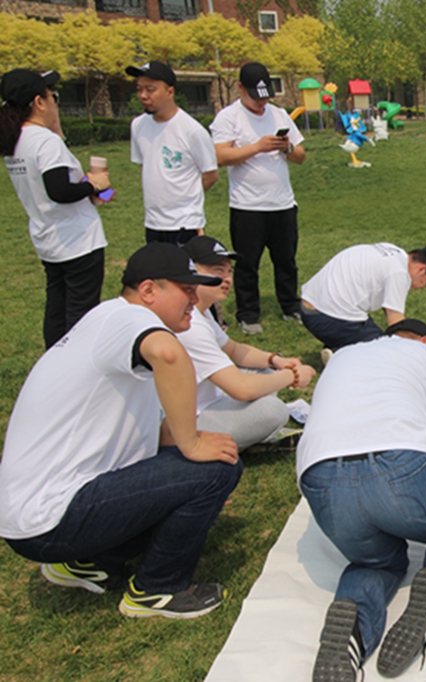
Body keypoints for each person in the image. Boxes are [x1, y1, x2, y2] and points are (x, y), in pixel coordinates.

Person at [0, 242, 241, 619]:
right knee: (216, 469)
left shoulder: (106, 320)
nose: (194, 301)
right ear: (148, 291)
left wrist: (180, 484)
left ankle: (90, 561)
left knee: (196, 472)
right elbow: (168, 354)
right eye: (185, 290)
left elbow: (148, 430)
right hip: (50, 517)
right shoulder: (130, 319)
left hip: (34, 514)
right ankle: (157, 589)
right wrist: (192, 447)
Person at [296, 319, 426, 681]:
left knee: (373, 561)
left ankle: (354, 628)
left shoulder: (343, 356)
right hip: (403, 464)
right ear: (425, 340)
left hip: (321, 477)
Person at [1, 69, 109, 348]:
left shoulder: (17, 140)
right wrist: (94, 185)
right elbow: (59, 190)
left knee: (57, 309)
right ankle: (76, 370)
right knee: (80, 314)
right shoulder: (44, 141)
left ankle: (53, 362)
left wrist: (58, 132)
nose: (54, 103)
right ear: (39, 102)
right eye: (53, 97)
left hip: (48, 237)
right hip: (78, 241)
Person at [177, 236, 316, 451]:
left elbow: (233, 349)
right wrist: (293, 376)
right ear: (190, 271)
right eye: (217, 270)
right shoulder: (191, 324)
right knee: (273, 410)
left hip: (209, 399)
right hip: (190, 419)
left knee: (266, 375)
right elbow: (242, 390)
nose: (226, 279)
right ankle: (229, 442)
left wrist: (276, 361)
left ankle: (249, 435)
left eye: (229, 271)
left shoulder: (201, 310)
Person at [210, 62, 305, 335]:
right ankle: (248, 314)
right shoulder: (228, 118)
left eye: (265, 96)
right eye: (256, 96)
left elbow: (301, 156)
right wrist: (257, 147)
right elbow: (220, 156)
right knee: (247, 264)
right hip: (247, 206)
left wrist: (286, 148)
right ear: (240, 88)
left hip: (283, 203)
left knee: (286, 260)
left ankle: (290, 306)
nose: (262, 102)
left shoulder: (278, 114)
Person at [300, 242, 426, 356]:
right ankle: (340, 354)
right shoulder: (399, 273)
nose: (423, 287)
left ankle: (339, 345)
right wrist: (410, 349)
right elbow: (396, 323)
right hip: (326, 317)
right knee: (382, 350)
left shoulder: (392, 251)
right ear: (421, 269)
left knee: (370, 329)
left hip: (308, 305)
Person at [127, 61, 218, 245]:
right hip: (153, 224)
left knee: (185, 273)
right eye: (139, 89)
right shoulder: (138, 125)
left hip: (185, 225)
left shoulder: (192, 130)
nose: (143, 95)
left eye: (150, 89)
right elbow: (147, 166)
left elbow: (211, 175)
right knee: (158, 273)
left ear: (170, 92)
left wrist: (185, 197)